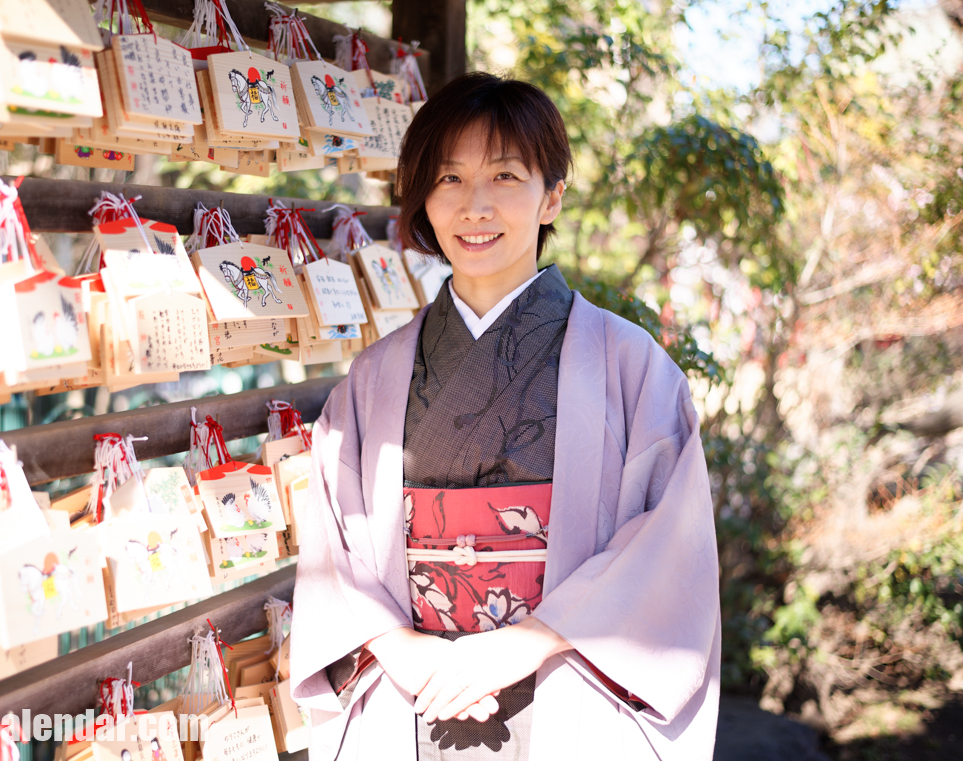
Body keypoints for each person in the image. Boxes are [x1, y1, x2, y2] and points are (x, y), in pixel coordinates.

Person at [290, 72, 720, 760]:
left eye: (505, 176)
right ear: (423, 198)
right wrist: (399, 647)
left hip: (569, 682)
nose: (475, 206)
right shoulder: (373, 377)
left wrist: (530, 640)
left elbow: (670, 544)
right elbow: (332, 546)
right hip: (415, 687)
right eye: (450, 178)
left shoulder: (630, 364)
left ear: (552, 196)